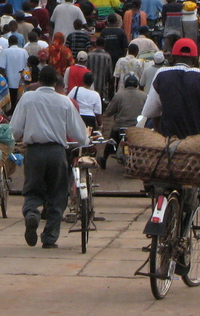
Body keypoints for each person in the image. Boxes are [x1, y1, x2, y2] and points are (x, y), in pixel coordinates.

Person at [10, 65, 88, 248]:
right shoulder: (64, 102)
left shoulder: (28, 98)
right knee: (57, 194)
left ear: (38, 80)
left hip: (34, 152)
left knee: (32, 189)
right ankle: (50, 238)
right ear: (56, 82)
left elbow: (14, 130)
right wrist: (85, 142)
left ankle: (31, 213)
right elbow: (79, 133)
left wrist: (11, 142)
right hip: (57, 153)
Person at [140, 38, 200, 141]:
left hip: (169, 144)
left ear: (172, 58)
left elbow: (152, 112)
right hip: (198, 144)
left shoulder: (162, 74)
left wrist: (161, 137)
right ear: (195, 59)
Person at [100, 74, 145, 168]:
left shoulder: (119, 95)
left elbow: (109, 111)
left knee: (111, 141)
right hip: (137, 127)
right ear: (137, 84)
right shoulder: (144, 96)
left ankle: (104, 160)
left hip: (120, 127)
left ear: (125, 84)